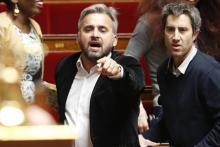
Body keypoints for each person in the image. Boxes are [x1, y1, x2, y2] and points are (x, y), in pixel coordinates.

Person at [55, 3, 146, 147]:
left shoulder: (128, 64)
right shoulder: (64, 67)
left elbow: (134, 83)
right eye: (88, 29)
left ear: (115, 39)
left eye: (102, 30)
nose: (95, 34)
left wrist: (118, 73)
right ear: (78, 37)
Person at [125, 0, 220, 134]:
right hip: (168, 110)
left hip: (205, 108)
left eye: (183, 30)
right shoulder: (149, 23)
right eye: (170, 29)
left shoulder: (213, 19)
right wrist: (136, 106)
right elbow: (124, 67)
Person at [0, 0, 56, 124]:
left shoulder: (35, 26)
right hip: (8, 107)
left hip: (34, 106)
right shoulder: (2, 25)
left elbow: (35, 75)